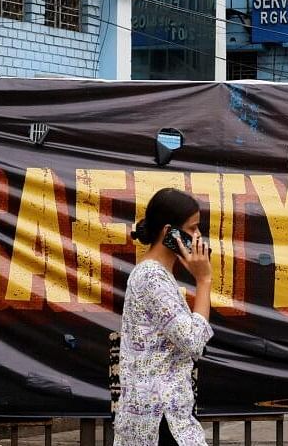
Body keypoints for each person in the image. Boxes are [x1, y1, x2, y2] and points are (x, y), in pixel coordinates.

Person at [114, 188, 213, 446]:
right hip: (158, 417)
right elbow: (193, 341)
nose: (199, 236)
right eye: (193, 229)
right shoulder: (151, 277)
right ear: (170, 232)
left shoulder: (159, 275)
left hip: (166, 414)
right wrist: (204, 280)